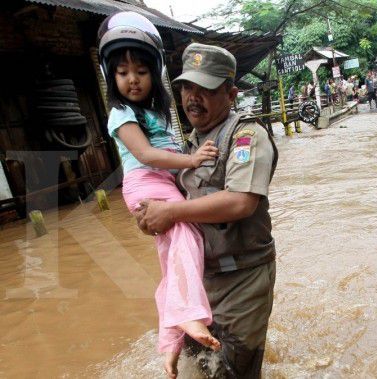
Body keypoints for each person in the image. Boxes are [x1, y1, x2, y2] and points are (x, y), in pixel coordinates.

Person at [135, 42, 278, 378]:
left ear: (230, 94)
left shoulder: (246, 136)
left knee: (235, 371)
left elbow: (241, 201)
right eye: (187, 88)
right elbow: (169, 206)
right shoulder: (188, 146)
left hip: (244, 278)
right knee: (197, 364)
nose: (192, 97)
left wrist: (170, 213)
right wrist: (150, 218)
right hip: (200, 278)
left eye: (205, 89)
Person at [97, 12, 222, 377]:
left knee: (171, 267)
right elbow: (148, 156)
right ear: (111, 77)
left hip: (162, 185)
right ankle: (189, 315)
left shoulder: (157, 114)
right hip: (145, 184)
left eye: (140, 71)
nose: (132, 80)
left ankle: (169, 345)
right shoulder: (120, 114)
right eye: (122, 73)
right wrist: (193, 158)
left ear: (155, 73)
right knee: (186, 229)